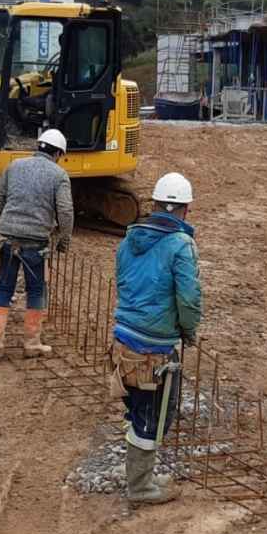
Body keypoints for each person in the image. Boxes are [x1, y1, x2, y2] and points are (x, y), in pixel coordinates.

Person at [112, 172, 203, 506]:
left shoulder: (128, 239)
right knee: (153, 416)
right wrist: (188, 330)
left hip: (122, 340)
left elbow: (122, 283)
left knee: (136, 408)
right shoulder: (181, 245)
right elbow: (189, 298)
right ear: (185, 209)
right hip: (154, 347)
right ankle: (139, 487)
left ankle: (141, 476)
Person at [0, 128, 74, 359]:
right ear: (57, 153)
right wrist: (64, 240)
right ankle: (32, 344)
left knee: (3, 288)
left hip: (7, 239)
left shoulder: (14, 166)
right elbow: (65, 211)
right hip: (35, 242)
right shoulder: (59, 175)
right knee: (36, 290)